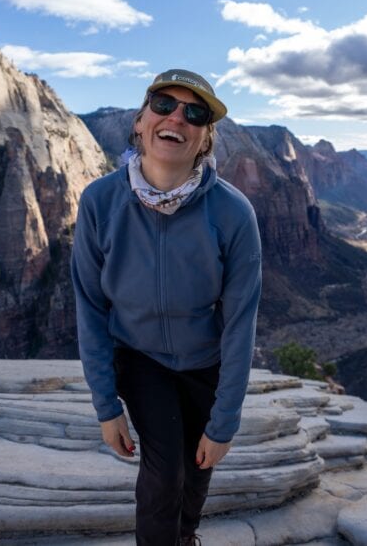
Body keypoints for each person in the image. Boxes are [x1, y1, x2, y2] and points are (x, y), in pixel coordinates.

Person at [72, 69, 262, 546]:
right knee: (164, 477)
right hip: (139, 357)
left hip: (206, 361)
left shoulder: (233, 213)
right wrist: (105, 405)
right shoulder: (99, 202)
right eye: (163, 104)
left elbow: (240, 324)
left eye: (193, 113)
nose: (176, 117)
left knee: (198, 469)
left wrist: (225, 422)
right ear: (140, 122)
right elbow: (90, 307)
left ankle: (184, 538)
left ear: (204, 140)